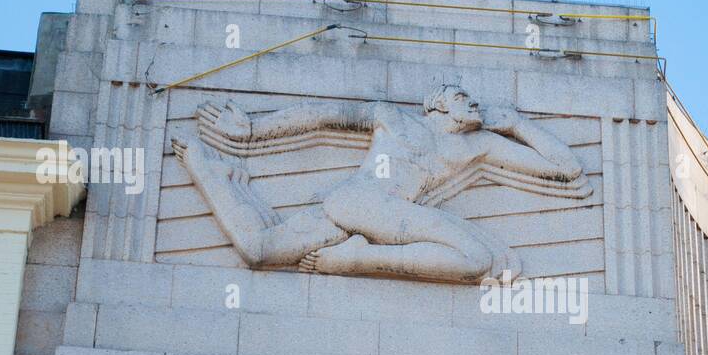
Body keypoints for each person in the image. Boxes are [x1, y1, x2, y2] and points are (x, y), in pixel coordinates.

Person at [172, 84, 589, 281]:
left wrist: (517, 123)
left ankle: (211, 173)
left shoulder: (476, 146)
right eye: (464, 97)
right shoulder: (394, 118)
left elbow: (565, 168)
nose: (476, 102)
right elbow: (322, 114)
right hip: (364, 203)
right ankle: (355, 259)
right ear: (437, 105)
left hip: (372, 215)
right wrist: (252, 130)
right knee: (478, 259)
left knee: (259, 250)